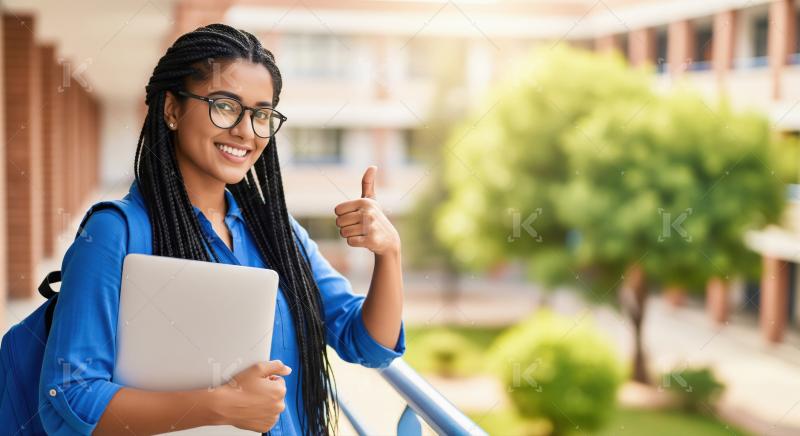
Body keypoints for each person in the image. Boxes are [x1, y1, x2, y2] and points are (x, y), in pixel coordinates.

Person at [38, 23, 405, 435]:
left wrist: (388, 253)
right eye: (225, 106)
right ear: (171, 110)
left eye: (261, 114)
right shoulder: (115, 233)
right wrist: (218, 405)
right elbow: (70, 394)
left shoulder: (278, 235)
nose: (246, 131)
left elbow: (369, 345)